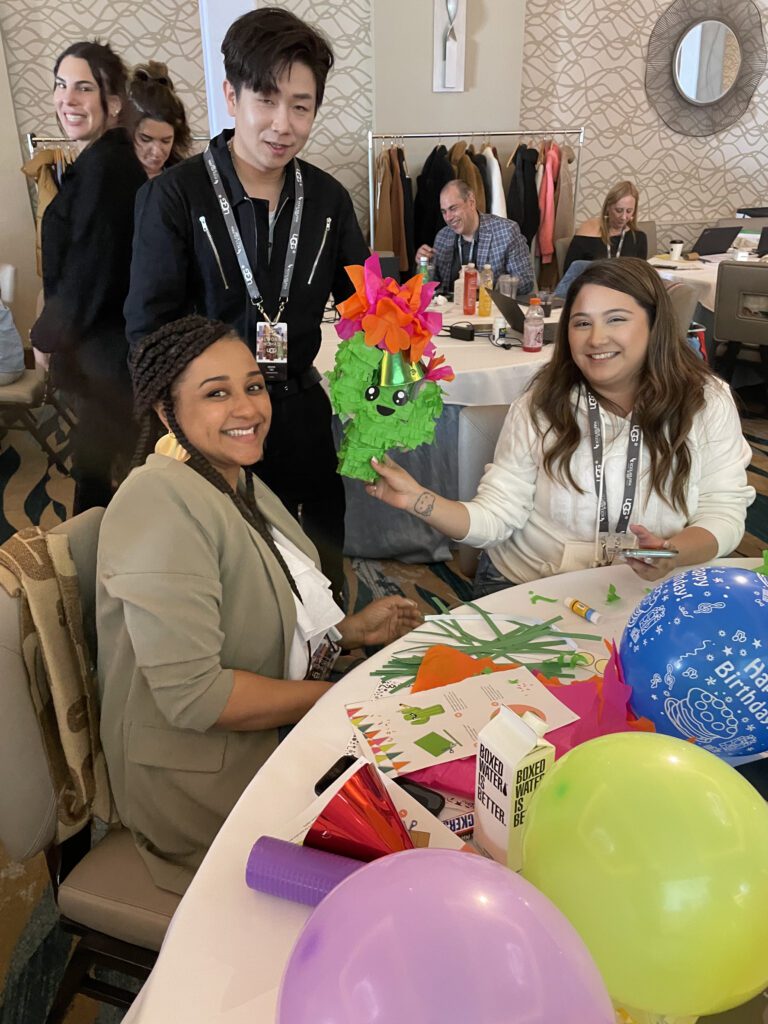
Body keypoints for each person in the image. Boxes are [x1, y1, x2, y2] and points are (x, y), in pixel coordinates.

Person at [97, 314, 421, 894]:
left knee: (418, 790)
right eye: (216, 393)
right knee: (395, 868)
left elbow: (253, 609)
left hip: (260, 740)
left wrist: (346, 633)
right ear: (166, 413)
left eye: (253, 385)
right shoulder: (157, 502)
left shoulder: (230, 476)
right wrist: (339, 700)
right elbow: (197, 697)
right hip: (201, 782)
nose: (248, 408)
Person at [124, 8, 369, 601]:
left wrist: (387, 372)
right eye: (267, 99)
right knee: (236, 571)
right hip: (213, 420)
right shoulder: (173, 197)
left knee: (320, 550)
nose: (283, 124)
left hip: (300, 408)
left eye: (302, 106)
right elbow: (146, 332)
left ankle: (331, 649)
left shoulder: (330, 200)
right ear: (232, 97)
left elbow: (368, 310)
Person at [366, 258, 754, 596]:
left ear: (655, 325)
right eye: (581, 323)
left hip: (651, 588)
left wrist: (669, 553)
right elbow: (498, 516)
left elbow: (723, 513)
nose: (596, 339)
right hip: (529, 583)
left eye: (616, 319)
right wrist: (418, 499)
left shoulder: (705, 400)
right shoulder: (542, 404)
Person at [30, 41, 146, 512]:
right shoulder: (99, 163)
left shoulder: (107, 170)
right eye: (61, 86)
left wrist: (44, 336)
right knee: (105, 475)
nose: (68, 99)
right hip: (106, 352)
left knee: (98, 480)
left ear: (112, 103)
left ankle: (92, 574)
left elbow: (89, 270)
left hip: (109, 356)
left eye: (83, 88)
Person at [415, 180, 534, 296]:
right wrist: (423, 266)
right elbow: (433, 288)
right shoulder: (442, 237)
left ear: (471, 202)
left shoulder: (506, 231)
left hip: (489, 312)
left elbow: (526, 282)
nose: (448, 217)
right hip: (451, 313)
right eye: (443, 211)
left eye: (453, 208)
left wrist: (485, 282)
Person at [563, 181, 647, 273]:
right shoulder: (587, 232)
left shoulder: (639, 238)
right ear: (608, 207)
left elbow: (640, 276)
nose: (623, 217)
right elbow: (569, 274)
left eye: (629, 211)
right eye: (618, 210)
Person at [127, 61, 192, 178]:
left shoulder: (182, 177)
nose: (156, 152)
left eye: (166, 141)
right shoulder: (108, 176)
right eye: (145, 139)